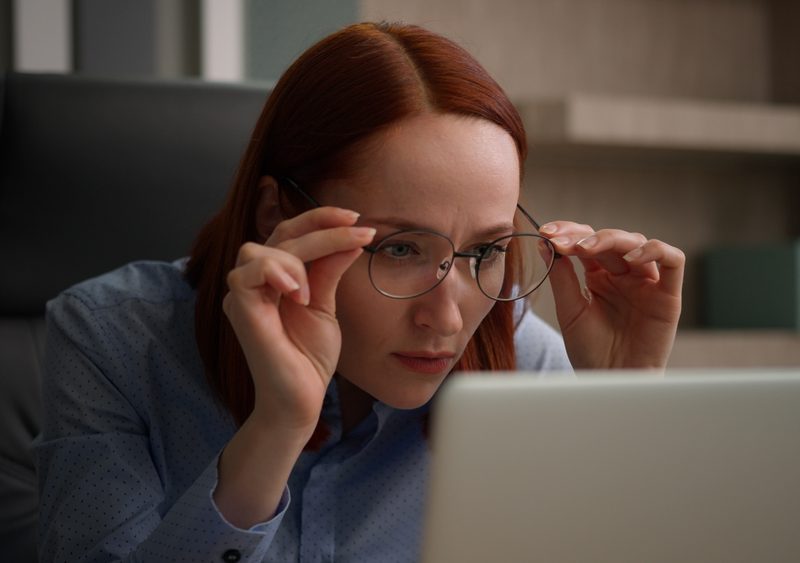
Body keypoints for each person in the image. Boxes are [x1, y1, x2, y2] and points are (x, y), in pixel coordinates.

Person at [35, 21, 684, 562]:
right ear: (275, 216)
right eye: (399, 248)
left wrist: (624, 404)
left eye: (485, 250)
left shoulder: (525, 361)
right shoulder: (109, 338)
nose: (448, 316)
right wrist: (277, 426)